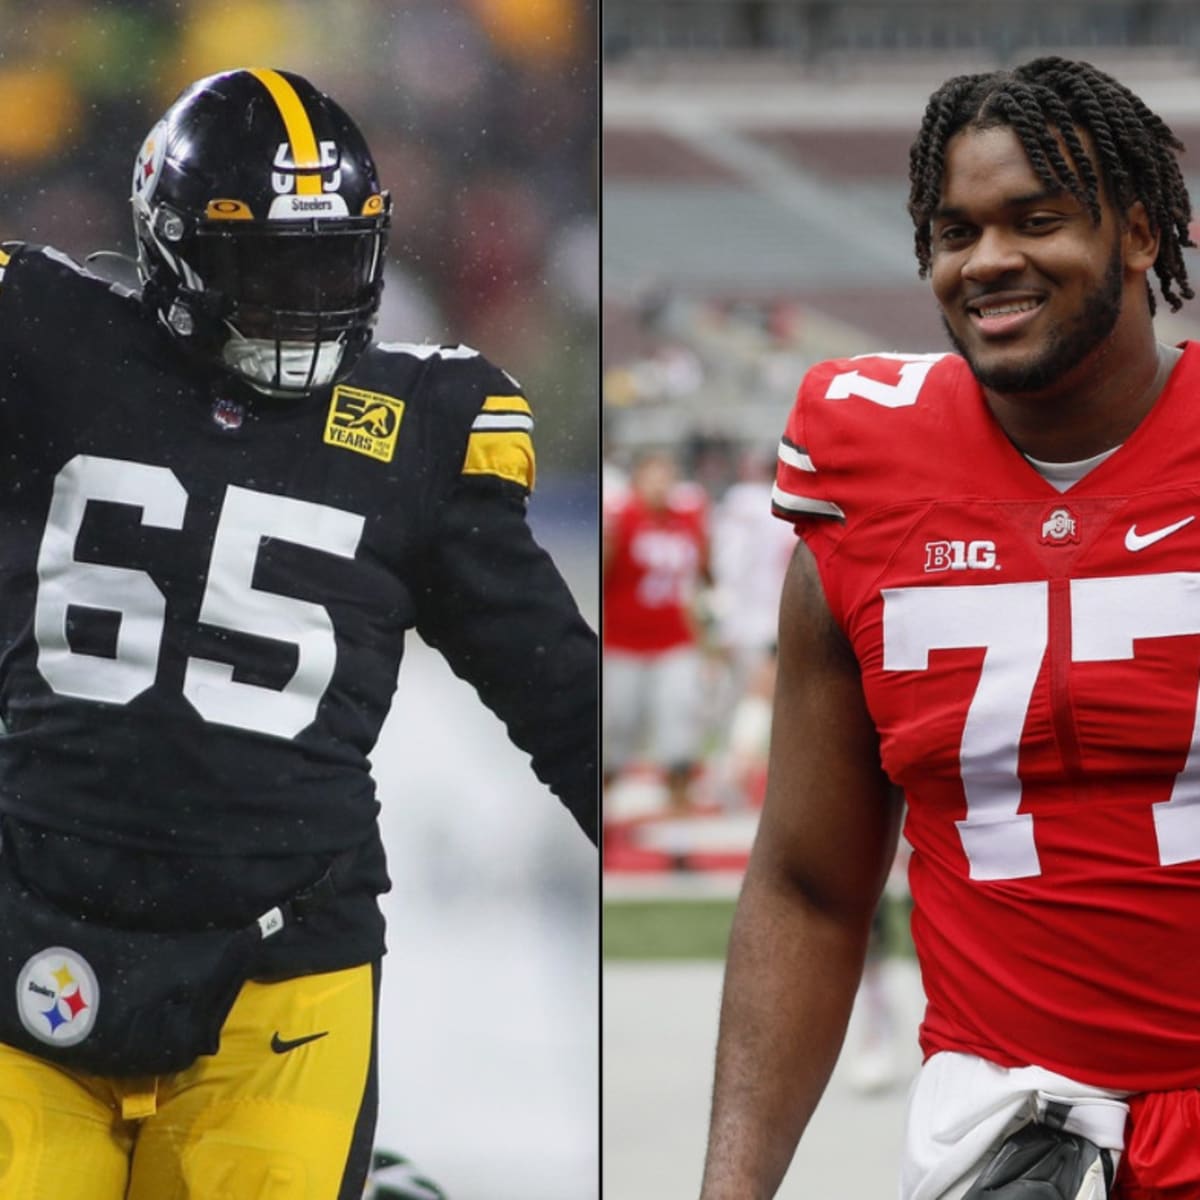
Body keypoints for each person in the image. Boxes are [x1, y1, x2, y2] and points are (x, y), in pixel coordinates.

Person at [0, 67, 596, 1199]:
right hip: (28, 920)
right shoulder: (47, 341)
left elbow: (555, 685)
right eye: (269, 263)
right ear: (172, 250)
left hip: (280, 973)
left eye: (332, 259)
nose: (305, 297)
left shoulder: (417, 427)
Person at [700, 56, 1200, 1200]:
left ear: (1139, 233)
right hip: (1008, 1131)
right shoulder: (864, 473)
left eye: (1037, 220)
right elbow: (810, 885)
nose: (989, 262)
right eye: (953, 230)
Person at [603, 448, 711, 819]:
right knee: (615, 736)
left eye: (667, 477)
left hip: (674, 641)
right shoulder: (622, 519)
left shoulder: (687, 520)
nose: (661, 485)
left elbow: (700, 582)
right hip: (623, 644)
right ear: (637, 480)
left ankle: (679, 819)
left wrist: (708, 642)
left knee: (679, 729)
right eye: (654, 476)